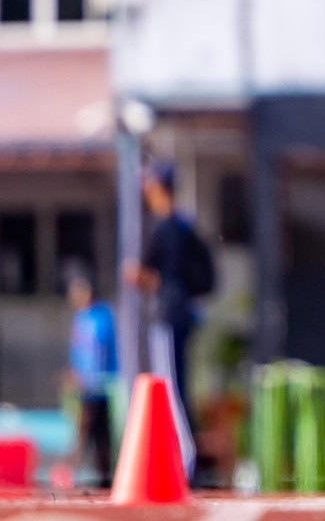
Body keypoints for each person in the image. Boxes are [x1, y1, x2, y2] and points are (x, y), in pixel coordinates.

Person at [124, 162, 214, 428]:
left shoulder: (169, 228)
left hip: (170, 315)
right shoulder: (183, 225)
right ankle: (183, 450)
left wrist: (140, 276)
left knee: (170, 385)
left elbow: (168, 278)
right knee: (174, 382)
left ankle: (182, 453)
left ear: (158, 188)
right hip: (181, 314)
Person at [66, 272, 118, 487]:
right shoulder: (81, 318)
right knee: (91, 429)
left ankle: (94, 472)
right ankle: (96, 472)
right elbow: (79, 352)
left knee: (94, 429)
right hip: (87, 385)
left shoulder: (100, 317)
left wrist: (90, 378)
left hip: (98, 385)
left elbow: (99, 352)